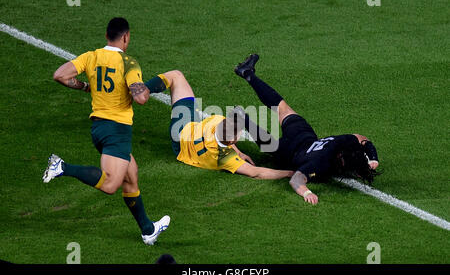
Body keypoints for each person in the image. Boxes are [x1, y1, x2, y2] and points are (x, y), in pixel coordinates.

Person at [42, 17, 170, 245]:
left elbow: (60, 75)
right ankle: (61, 166)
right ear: (126, 37)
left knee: (131, 176)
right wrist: (148, 87)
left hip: (99, 129)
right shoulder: (129, 63)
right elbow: (140, 98)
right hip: (117, 130)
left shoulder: (91, 57)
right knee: (111, 184)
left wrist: (84, 87)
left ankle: (148, 230)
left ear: (106, 36)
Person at [234, 54, 380, 205]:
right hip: (289, 152)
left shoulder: (343, 141)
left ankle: (247, 73)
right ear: (341, 163)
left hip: (303, 135)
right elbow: (296, 179)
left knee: (281, 107)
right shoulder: (320, 162)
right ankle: (242, 117)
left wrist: (373, 157)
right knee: (270, 146)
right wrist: (307, 192)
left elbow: (361, 138)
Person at [142, 70, 294, 179]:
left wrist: (238, 152)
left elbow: (225, 138)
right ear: (232, 141)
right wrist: (288, 173)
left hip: (184, 128)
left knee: (176, 76)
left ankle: (143, 89)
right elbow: (257, 172)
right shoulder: (225, 158)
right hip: (181, 146)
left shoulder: (217, 120)